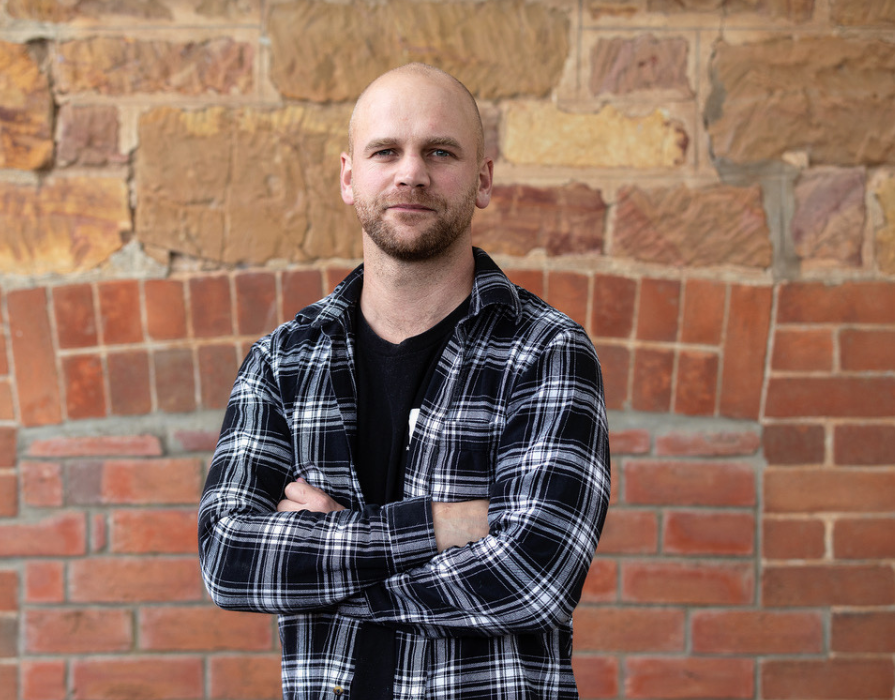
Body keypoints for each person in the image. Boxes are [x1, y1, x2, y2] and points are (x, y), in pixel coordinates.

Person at [198, 63, 610, 699]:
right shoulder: (283, 362)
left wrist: (332, 556)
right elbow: (229, 560)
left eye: (440, 152)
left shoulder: (546, 351)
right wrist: (443, 527)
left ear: (483, 180)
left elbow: (536, 574)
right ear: (348, 177)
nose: (411, 172)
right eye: (385, 150)